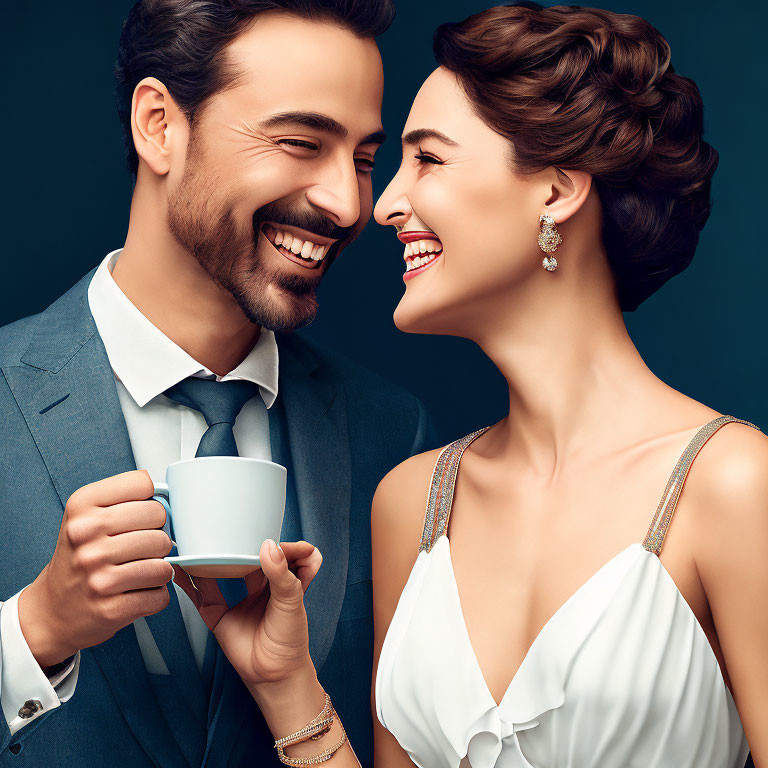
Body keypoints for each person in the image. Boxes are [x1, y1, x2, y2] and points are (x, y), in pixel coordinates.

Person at [185, 3, 768, 767]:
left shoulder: (734, 486)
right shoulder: (414, 504)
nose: (383, 206)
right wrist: (286, 683)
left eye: (427, 159)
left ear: (556, 192)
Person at [0, 1, 436, 766]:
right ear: (160, 125)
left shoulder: (391, 435)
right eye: (302, 142)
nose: (346, 202)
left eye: (364, 159)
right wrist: (35, 629)